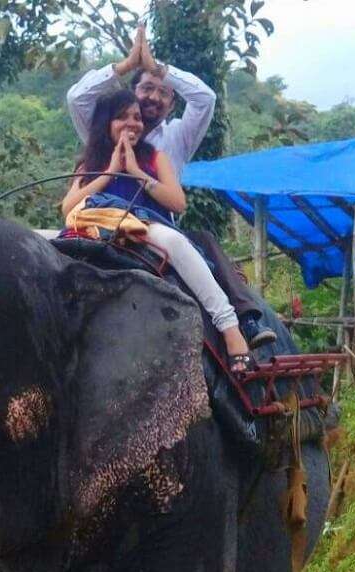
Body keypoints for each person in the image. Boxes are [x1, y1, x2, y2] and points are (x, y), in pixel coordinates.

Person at [67, 26, 275, 349]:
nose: (153, 97)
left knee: (201, 240)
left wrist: (157, 68)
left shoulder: (173, 140)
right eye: (147, 88)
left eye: (163, 93)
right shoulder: (100, 142)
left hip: (155, 225)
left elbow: (205, 98)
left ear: (172, 104)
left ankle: (241, 321)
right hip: (99, 221)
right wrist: (124, 66)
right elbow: (77, 99)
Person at [62, 91, 254, 374]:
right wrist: (111, 172)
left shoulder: (155, 157)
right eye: (122, 117)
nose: (132, 124)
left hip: (143, 228)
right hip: (95, 226)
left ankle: (229, 326)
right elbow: (68, 208)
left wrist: (136, 172)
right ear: (106, 123)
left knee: (174, 240)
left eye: (137, 118)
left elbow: (178, 202)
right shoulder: (90, 162)